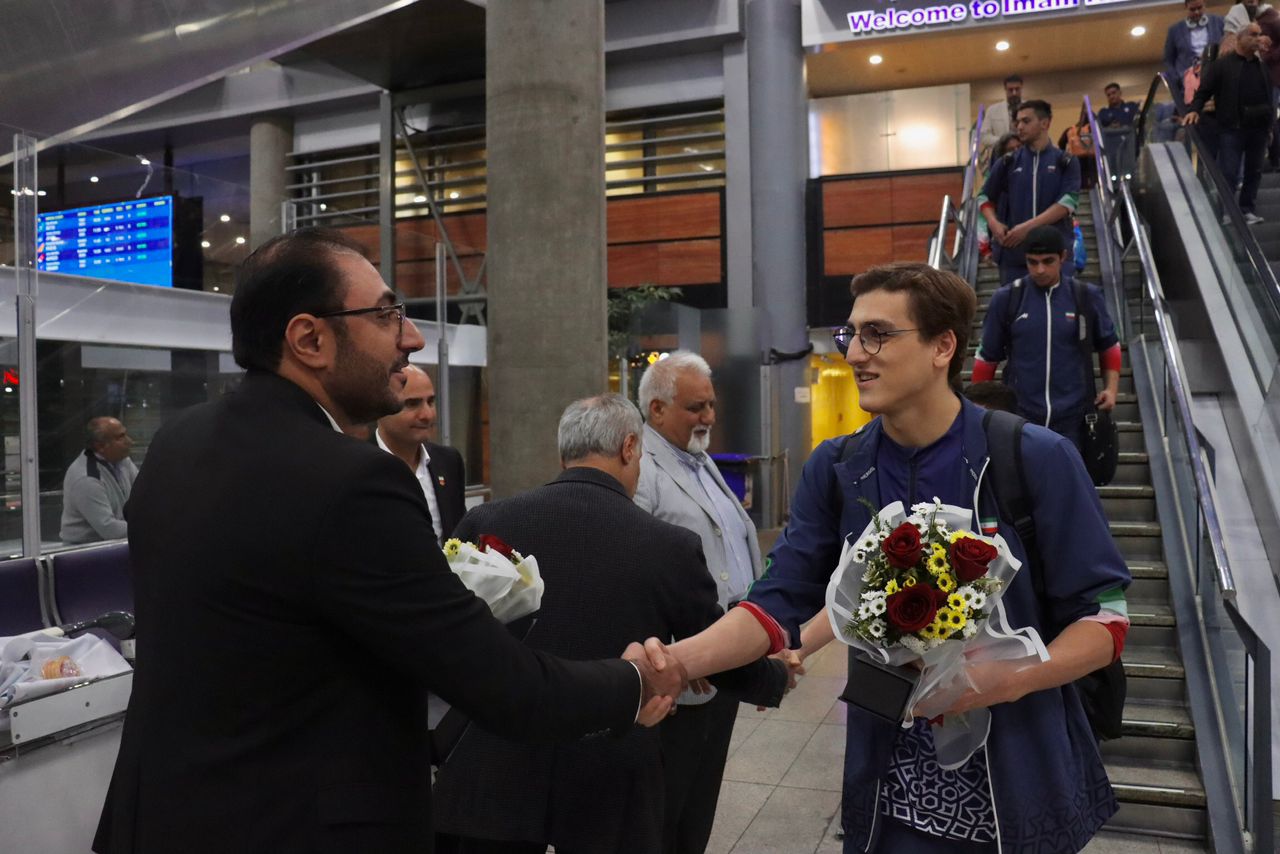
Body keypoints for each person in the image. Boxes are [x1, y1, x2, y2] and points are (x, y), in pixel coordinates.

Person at [92, 228, 685, 854]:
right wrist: (633, 681)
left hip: (164, 816)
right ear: (310, 339)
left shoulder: (179, 442)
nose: (412, 338)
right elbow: (506, 688)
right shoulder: (349, 480)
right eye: (385, 315)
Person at [646, 262, 1130, 854]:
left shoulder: (1033, 457)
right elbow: (777, 601)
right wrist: (672, 663)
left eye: (877, 334)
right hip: (887, 792)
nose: (854, 354)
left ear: (942, 347)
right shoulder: (838, 467)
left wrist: (1008, 680)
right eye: (851, 335)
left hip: (1017, 783)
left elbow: (1106, 618)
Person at [433, 394, 788, 854]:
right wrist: (774, 676)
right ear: (629, 448)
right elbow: (712, 652)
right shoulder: (669, 545)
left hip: (495, 762)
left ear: (564, 452)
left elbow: (450, 630)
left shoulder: (487, 522)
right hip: (608, 769)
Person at [633, 351, 772, 854]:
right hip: (678, 668)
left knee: (700, 801)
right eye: (696, 407)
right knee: (666, 809)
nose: (709, 417)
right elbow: (635, 572)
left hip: (723, 659)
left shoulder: (699, 460)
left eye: (711, 405)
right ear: (656, 409)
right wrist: (675, 651)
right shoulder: (640, 468)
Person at [971, 225, 1121, 450]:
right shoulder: (1007, 298)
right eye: (1032, 262)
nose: (1040, 269)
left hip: (1075, 418)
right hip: (1021, 416)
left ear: (1063, 257)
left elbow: (1109, 345)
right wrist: (976, 410)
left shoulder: (1085, 296)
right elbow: (987, 358)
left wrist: (1111, 389)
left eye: (1048, 261)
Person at [978, 99, 1081, 284]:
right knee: (1015, 303)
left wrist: (1027, 228)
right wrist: (993, 223)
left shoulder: (1066, 161)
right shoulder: (1007, 162)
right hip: (1015, 257)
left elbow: (1068, 202)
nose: (1019, 127)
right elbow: (983, 197)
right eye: (1017, 122)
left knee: (1059, 302)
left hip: (1056, 257)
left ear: (1045, 123)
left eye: (1026, 121)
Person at [1185, 21, 1274, 224]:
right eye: (1252, 35)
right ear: (1240, 39)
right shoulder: (1222, 65)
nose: (1258, 39)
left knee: (1254, 172)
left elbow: (1269, 98)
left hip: (1258, 128)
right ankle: (1227, 211)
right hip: (1232, 128)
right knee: (1229, 173)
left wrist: (1269, 127)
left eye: (1259, 34)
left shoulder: (1261, 66)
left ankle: (1247, 209)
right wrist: (1194, 110)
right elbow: (1203, 91)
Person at [376, 364, 466, 544]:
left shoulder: (448, 461)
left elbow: (460, 534)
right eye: (412, 404)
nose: (427, 415)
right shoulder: (357, 467)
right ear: (380, 407)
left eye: (430, 402)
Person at [59, 417, 138, 545]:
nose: (130, 441)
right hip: (86, 551)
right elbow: (109, 529)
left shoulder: (123, 461)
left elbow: (144, 494)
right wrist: (151, 527)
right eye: (120, 437)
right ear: (100, 446)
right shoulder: (86, 479)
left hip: (118, 544)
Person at [1165, 0, 1226, 104]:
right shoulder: (1174, 30)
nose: (1197, 12)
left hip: (1216, 76)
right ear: (1186, 7)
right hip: (1188, 82)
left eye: (1199, 8)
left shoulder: (1220, 22)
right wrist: (1177, 79)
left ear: (1205, 4)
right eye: (1192, 9)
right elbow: (1168, 59)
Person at [978, 75, 1024, 167]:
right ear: (1005, 90)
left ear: (1021, 88)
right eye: (1010, 90)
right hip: (1001, 158)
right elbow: (984, 136)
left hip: (1025, 156)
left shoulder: (1030, 108)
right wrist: (1004, 141)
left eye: (1017, 89)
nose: (1014, 93)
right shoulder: (993, 110)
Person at [1098, 83, 1141, 180]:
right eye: (1108, 95)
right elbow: (1100, 128)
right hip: (1113, 152)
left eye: (1113, 93)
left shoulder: (1132, 107)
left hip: (1132, 148)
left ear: (1120, 93)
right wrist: (1110, 127)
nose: (1111, 96)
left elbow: (1138, 121)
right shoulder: (1103, 113)